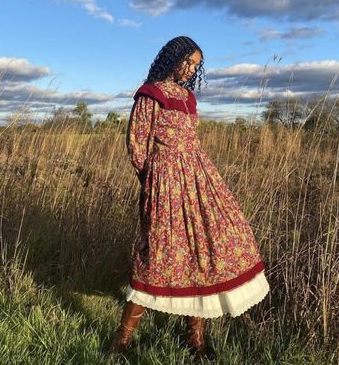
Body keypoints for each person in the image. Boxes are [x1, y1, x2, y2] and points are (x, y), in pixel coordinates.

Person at [109, 36, 270, 359]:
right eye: (186, 61)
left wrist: (194, 173)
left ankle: (195, 338)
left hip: (198, 177)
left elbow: (191, 141)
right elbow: (137, 145)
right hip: (165, 182)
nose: (190, 69)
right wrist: (155, 181)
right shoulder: (150, 93)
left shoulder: (188, 98)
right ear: (172, 58)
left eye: (195, 64)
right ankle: (121, 341)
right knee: (156, 254)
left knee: (206, 250)